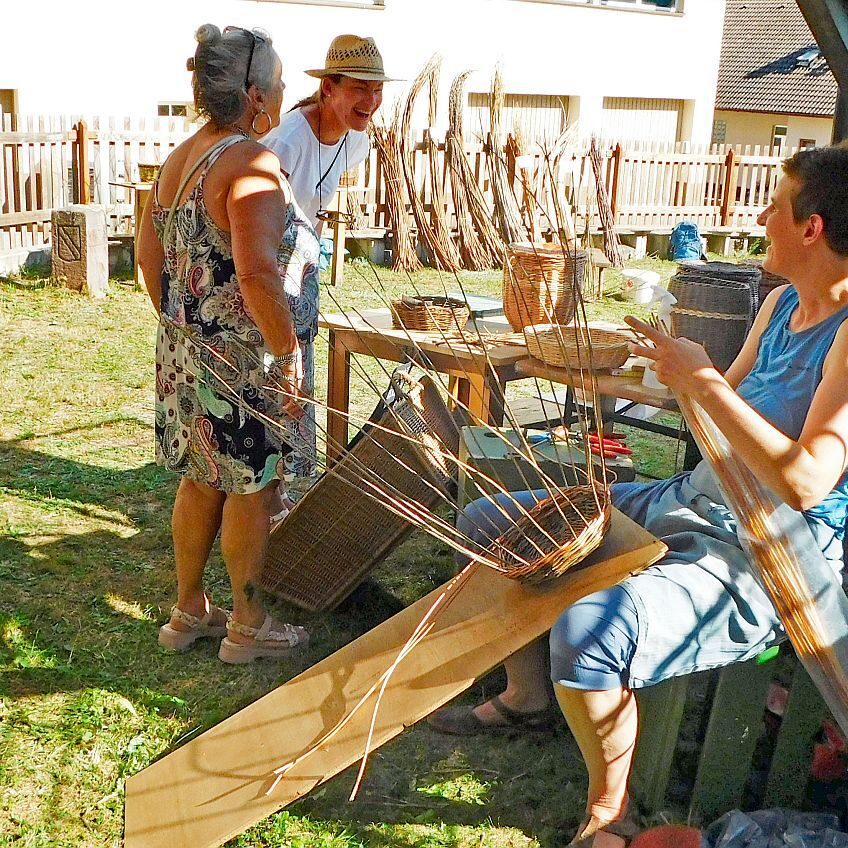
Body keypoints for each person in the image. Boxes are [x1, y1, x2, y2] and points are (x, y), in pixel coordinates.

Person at [429, 143, 848, 844]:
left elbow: (807, 481)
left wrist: (705, 382)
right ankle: (528, 698)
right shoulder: (779, 305)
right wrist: (672, 379)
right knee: (488, 522)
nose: (762, 213)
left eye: (776, 202)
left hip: (772, 551)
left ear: (811, 226)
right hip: (696, 496)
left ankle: (610, 810)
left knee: (593, 629)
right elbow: (715, 416)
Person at [137, 24, 319, 663]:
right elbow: (257, 273)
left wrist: (187, 329)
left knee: (198, 480)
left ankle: (188, 610)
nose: (282, 90)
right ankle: (247, 621)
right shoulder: (250, 162)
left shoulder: (180, 158)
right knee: (250, 485)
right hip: (246, 359)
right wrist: (287, 354)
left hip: (188, 354)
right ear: (252, 92)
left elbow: (147, 257)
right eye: (276, 80)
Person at [261, 34, 390, 494]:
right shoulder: (287, 140)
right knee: (277, 372)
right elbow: (259, 215)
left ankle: (287, 489)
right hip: (269, 270)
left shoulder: (356, 139)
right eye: (359, 88)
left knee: (300, 374)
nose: (371, 101)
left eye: (377, 89)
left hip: (304, 265)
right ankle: (266, 488)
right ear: (329, 88)